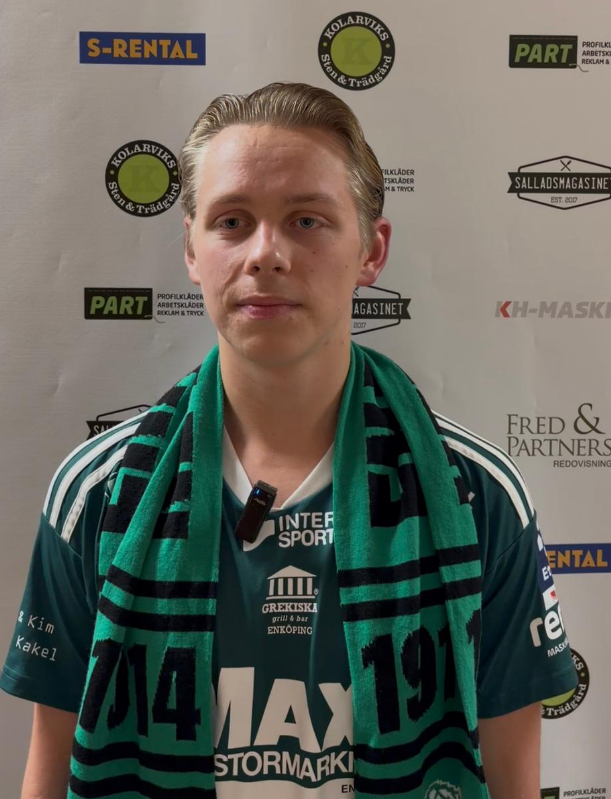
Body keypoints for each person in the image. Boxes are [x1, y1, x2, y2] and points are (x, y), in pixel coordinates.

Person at [1, 81, 577, 799]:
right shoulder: (96, 492)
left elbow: (513, 780)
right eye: (232, 221)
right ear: (191, 251)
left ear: (371, 250)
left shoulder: (478, 495)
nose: (266, 254)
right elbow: (50, 767)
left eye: (307, 220)